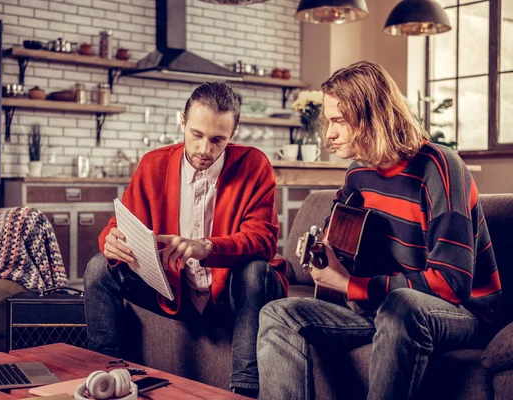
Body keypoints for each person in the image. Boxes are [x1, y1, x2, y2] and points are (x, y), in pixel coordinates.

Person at [257, 61, 501, 400]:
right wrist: (323, 254)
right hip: (381, 309)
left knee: (401, 306)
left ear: (373, 116)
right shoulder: (358, 174)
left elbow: (452, 285)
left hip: (461, 312)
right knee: (278, 313)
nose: (328, 133)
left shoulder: (441, 167)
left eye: (338, 121)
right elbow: (335, 236)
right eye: (328, 121)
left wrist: (350, 284)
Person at [84, 82, 288, 398]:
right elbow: (124, 222)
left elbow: (263, 239)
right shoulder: (154, 163)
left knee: (254, 270)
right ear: (182, 121)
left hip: (231, 295)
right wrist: (111, 238)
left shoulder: (254, 165)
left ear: (233, 135)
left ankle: (244, 391)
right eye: (196, 134)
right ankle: (109, 377)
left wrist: (207, 247)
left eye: (217, 140)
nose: (205, 149)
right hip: (174, 289)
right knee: (99, 267)